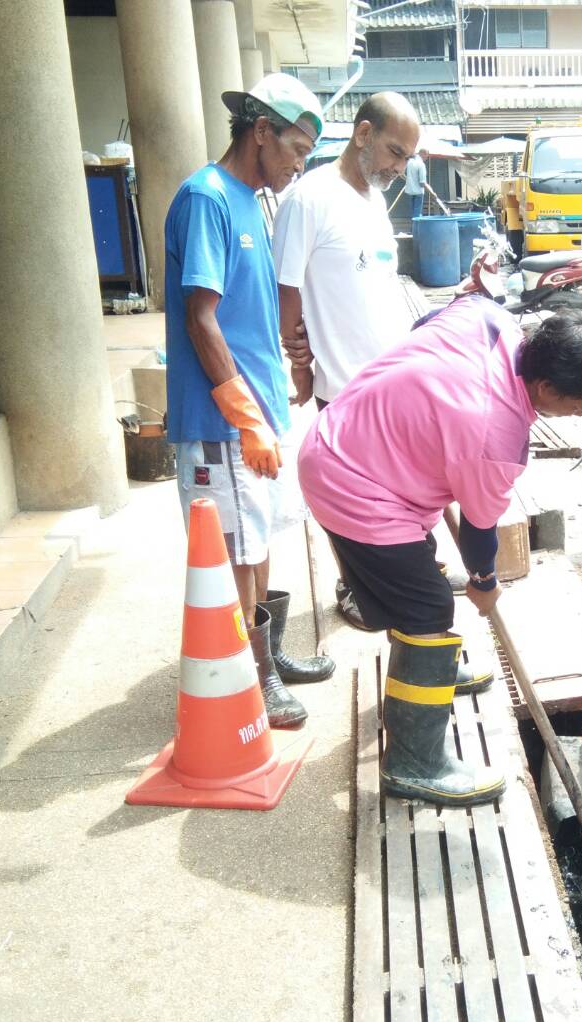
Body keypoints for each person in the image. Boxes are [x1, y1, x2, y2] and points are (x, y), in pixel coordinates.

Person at [300, 301, 582, 806]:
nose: (580, 416)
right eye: (581, 406)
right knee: (428, 607)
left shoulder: (486, 319)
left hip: (354, 436)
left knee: (420, 566)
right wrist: (483, 580)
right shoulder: (495, 434)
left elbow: (422, 325)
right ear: (546, 388)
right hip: (351, 482)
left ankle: (428, 668)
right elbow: (482, 534)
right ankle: (413, 764)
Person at [163, 73, 336, 731]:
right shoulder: (204, 199)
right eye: (294, 146)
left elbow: (252, 310)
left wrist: (291, 365)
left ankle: (270, 658)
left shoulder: (251, 202)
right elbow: (199, 317)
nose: (299, 162)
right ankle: (251, 677)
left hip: (256, 415)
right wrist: (242, 414)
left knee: (257, 540)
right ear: (260, 131)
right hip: (221, 422)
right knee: (235, 551)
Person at [273, 92, 434, 634]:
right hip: (342, 385)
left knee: (396, 493)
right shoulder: (309, 199)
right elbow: (287, 288)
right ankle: (353, 584)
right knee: (349, 498)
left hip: (391, 380)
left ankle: (398, 576)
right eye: (395, 151)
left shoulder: (373, 201)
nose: (400, 167)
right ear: (362, 134)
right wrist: (299, 362)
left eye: (408, 158)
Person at [402, 150, 427, 221]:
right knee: (417, 214)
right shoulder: (421, 164)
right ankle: (416, 230)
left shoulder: (409, 162)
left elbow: (401, 173)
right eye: (426, 155)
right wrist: (432, 192)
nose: (427, 158)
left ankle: (413, 228)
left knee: (414, 212)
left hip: (410, 191)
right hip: (419, 192)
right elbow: (422, 183)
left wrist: (408, 180)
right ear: (423, 154)